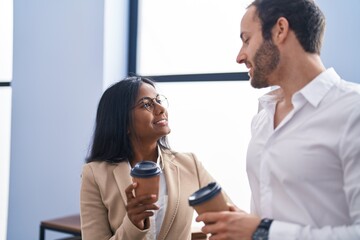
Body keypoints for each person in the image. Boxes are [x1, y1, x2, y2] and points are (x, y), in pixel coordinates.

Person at [196, 0, 360, 239]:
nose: (240, 56)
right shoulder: (263, 117)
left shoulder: (353, 110)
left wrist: (262, 232)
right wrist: (241, 225)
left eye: (246, 39)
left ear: (280, 30)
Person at [80, 76, 231, 240]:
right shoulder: (95, 174)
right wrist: (133, 225)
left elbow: (230, 220)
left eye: (158, 101)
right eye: (146, 104)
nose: (160, 109)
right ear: (123, 123)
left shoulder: (189, 164)